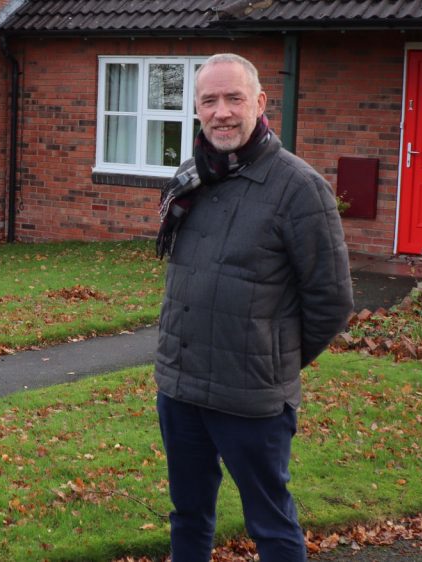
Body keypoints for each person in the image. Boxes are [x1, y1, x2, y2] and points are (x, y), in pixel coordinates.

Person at [154, 53, 354, 562]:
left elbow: (331, 302)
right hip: (181, 388)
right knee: (188, 513)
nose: (222, 112)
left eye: (234, 98)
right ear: (197, 109)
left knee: (270, 521)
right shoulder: (191, 180)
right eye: (210, 100)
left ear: (260, 103)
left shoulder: (299, 189)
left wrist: (272, 357)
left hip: (252, 399)